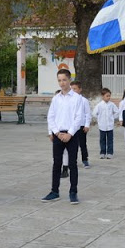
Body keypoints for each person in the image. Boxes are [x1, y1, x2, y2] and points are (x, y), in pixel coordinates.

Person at [42, 69, 83, 204]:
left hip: (72, 134)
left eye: (64, 80)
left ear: (69, 80)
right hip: (58, 134)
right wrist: (56, 132)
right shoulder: (56, 99)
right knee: (56, 163)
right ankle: (54, 191)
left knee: (72, 164)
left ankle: (73, 192)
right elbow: (51, 116)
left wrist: (70, 133)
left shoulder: (77, 98)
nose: (62, 83)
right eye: (59, 80)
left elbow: (78, 118)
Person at [92, 88, 118, 159]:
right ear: (102, 96)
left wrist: (113, 118)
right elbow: (94, 113)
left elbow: (117, 112)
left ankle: (110, 152)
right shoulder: (99, 105)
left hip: (110, 126)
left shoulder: (112, 105)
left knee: (110, 140)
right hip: (102, 125)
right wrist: (99, 118)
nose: (108, 97)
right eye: (107, 96)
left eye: (109, 96)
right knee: (102, 140)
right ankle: (102, 152)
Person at [71, 81, 91, 168]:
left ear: (80, 89)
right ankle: (72, 161)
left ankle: (85, 159)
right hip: (71, 126)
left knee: (82, 144)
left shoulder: (84, 101)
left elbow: (87, 113)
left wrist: (87, 125)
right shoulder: (69, 100)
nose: (73, 91)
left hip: (81, 126)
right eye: (71, 89)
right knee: (72, 145)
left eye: (75, 89)